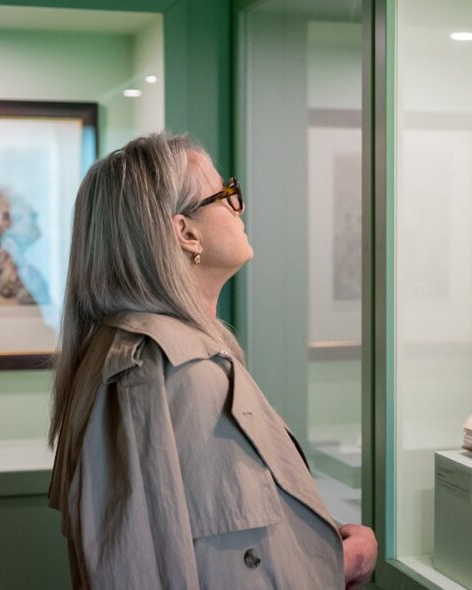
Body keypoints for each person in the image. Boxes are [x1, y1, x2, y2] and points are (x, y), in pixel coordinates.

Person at [48, 132, 376, 589]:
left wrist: (325, 558)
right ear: (185, 232)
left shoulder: (181, 357)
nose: (239, 208)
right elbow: (135, 570)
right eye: (225, 195)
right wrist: (337, 566)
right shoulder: (158, 370)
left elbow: (230, 552)